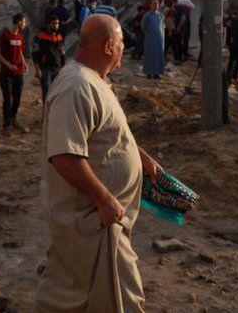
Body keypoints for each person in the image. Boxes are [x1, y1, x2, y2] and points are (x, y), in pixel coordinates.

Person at [35, 15, 163, 313]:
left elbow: (105, 135)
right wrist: (103, 198)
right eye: (120, 44)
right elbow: (64, 155)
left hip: (103, 222)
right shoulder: (76, 86)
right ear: (108, 46)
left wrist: (139, 156)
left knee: (83, 297)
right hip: (93, 222)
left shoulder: (96, 81)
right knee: (103, 298)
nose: (122, 50)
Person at [0, 13, 29, 134]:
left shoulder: (20, 37)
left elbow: (20, 52)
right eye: (24, 22)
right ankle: (6, 125)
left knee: (17, 97)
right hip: (6, 73)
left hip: (18, 72)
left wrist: (24, 63)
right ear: (19, 22)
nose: (25, 24)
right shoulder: (5, 35)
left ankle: (13, 117)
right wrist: (8, 64)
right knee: (7, 98)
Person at [33, 16, 65, 102]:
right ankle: (46, 113)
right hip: (45, 69)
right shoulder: (40, 36)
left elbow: (62, 53)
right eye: (53, 24)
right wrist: (37, 68)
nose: (56, 26)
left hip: (57, 68)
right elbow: (35, 52)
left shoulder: (59, 36)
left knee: (57, 92)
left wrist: (63, 66)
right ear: (48, 24)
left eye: (57, 23)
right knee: (47, 93)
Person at [140, 0, 165, 79]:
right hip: (150, 38)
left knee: (158, 55)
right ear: (151, 5)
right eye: (154, 4)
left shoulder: (160, 15)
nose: (156, 5)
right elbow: (143, 26)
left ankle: (157, 73)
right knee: (150, 55)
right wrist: (149, 33)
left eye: (157, 4)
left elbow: (163, 26)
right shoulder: (147, 15)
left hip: (159, 39)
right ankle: (149, 73)